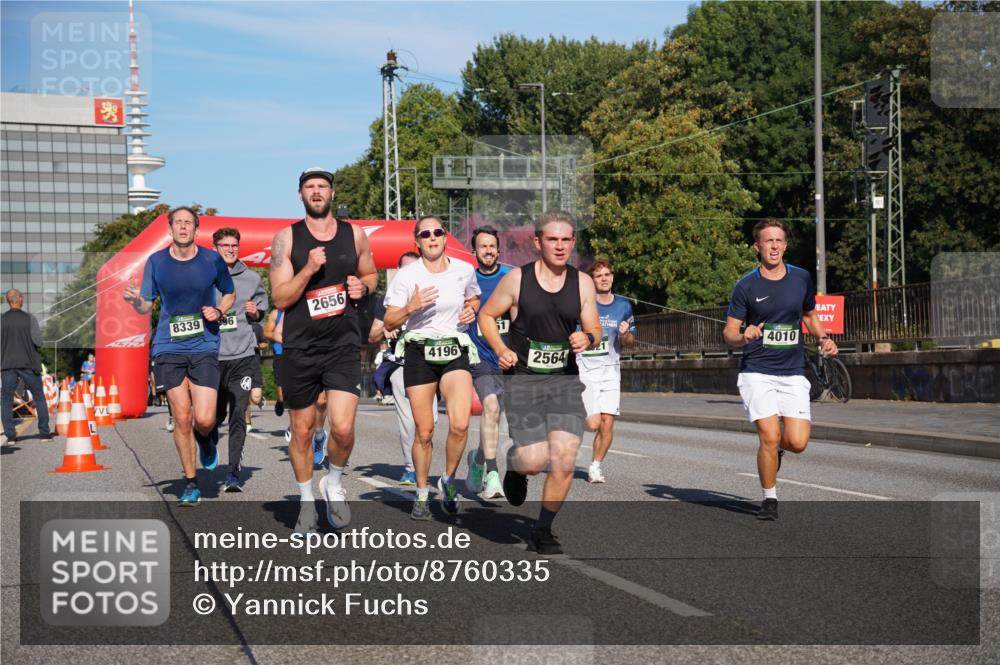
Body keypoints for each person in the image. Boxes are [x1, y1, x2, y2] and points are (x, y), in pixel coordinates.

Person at [478, 211, 602, 554]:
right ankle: (516, 463)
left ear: (573, 242)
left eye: (566, 240)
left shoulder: (583, 283)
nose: (560, 246)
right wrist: (501, 348)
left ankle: (543, 529)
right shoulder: (517, 280)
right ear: (538, 242)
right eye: (552, 239)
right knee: (533, 462)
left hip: (564, 381)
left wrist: (587, 338)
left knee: (564, 458)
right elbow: (486, 316)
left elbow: (594, 327)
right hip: (524, 381)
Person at [269, 167, 377, 532]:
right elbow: (280, 297)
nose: (317, 193)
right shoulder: (286, 239)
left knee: (343, 428)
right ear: (300, 195)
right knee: (301, 431)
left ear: (332, 194)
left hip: (343, 343)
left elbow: (372, 274)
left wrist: (363, 287)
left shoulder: (355, 234)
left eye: (323, 187)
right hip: (301, 345)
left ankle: (332, 480)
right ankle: (305, 502)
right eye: (310, 188)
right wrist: (308, 270)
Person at [723, 218, 839, 521]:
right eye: (767, 240)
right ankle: (769, 498)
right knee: (769, 435)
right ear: (757, 247)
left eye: (779, 241)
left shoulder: (800, 279)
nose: (773, 246)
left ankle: (777, 452)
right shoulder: (745, 286)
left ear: (785, 246)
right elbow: (729, 333)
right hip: (756, 371)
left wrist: (823, 337)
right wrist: (743, 335)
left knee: (797, 442)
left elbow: (810, 315)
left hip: (792, 371)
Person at [123, 206, 235, 506]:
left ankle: (206, 437)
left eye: (189, 223)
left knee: (206, 418)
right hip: (168, 346)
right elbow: (146, 306)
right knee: (182, 416)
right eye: (178, 223)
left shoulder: (212, 259)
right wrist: (136, 302)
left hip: (204, 345)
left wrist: (220, 310)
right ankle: (190, 482)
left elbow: (229, 292)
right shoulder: (156, 262)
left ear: (196, 229)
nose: (183, 227)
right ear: (170, 228)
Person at [384, 216, 480, 519]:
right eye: (425, 234)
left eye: (438, 232)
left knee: (460, 423)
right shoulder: (406, 275)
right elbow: (389, 322)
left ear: (445, 237)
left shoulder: (464, 270)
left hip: (454, 349)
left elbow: (474, 297)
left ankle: (448, 480)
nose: (432, 237)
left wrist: (471, 310)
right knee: (424, 431)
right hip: (419, 352)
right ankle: (423, 493)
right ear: (418, 242)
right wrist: (411, 307)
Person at [369, 251, 437, 486]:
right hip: (401, 364)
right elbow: (373, 335)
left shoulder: (432, 295)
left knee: (430, 422)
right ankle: (411, 467)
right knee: (409, 419)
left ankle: (422, 460)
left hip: (431, 363)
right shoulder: (388, 301)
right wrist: (386, 328)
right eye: (405, 269)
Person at [213, 227, 269, 492]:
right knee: (210, 419)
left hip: (243, 356)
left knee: (238, 414)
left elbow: (261, 310)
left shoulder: (251, 278)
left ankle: (233, 472)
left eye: (234, 245)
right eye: (225, 245)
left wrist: (255, 312)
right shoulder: (205, 277)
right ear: (216, 248)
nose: (230, 249)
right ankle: (207, 440)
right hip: (210, 358)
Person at [464, 225, 512, 499]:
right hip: (479, 357)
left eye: (492, 245)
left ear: (498, 249)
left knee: (494, 419)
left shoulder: (510, 280)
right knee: (490, 408)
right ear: (475, 251)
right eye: (483, 246)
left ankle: (478, 459)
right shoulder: (467, 283)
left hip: (507, 359)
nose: (488, 250)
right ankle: (493, 474)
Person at [579, 260, 636, 484]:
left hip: (611, 371)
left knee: (606, 423)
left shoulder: (623, 306)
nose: (604, 278)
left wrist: (625, 335)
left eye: (607, 274)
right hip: (585, 371)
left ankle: (595, 466)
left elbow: (630, 341)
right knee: (592, 424)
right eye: (599, 275)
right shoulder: (583, 305)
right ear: (592, 281)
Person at [1, 289, 53, 443]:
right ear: (20, 300)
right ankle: (44, 433)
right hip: (28, 364)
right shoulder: (30, 319)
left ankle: (10, 436)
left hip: (7, 364)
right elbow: (38, 342)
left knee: (6, 399)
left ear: (8, 301)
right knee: (38, 396)